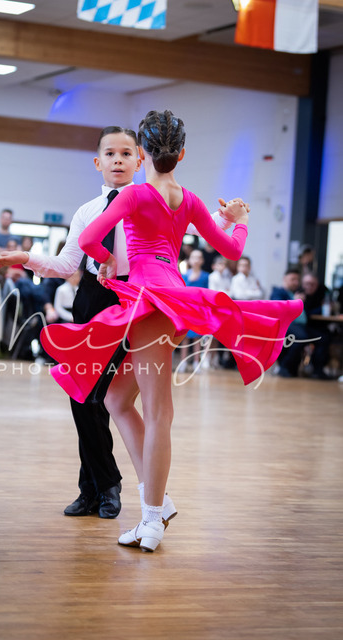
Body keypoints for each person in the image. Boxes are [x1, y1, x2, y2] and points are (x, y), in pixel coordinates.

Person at [39, 110, 302, 552]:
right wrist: (239, 218)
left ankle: (151, 520)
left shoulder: (133, 195)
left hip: (150, 303)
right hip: (171, 298)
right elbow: (231, 249)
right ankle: (158, 501)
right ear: (181, 155)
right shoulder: (191, 200)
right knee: (116, 399)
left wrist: (106, 261)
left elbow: (87, 242)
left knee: (158, 411)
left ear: (142, 153)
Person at [0, 124, 248, 521]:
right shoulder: (87, 211)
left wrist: (227, 218)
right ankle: (93, 488)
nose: (118, 161)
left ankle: (119, 489)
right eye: (110, 154)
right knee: (83, 399)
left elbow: (188, 223)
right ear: (98, 162)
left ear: (140, 159)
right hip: (92, 299)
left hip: (135, 300)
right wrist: (27, 258)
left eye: (126, 153)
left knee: (109, 399)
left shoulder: (146, 199)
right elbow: (67, 264)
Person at [270, 270, 330, 379]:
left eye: (297, 280)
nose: (296, 282)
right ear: (285, 279)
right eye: (293, 279)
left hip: (301, 326)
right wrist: (294, 301)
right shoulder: (279, 292)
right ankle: (284, 366)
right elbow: (278, 309)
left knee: (322, 337)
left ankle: (318, 371)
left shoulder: (297, 293)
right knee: (301, 337)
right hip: (288, 325)